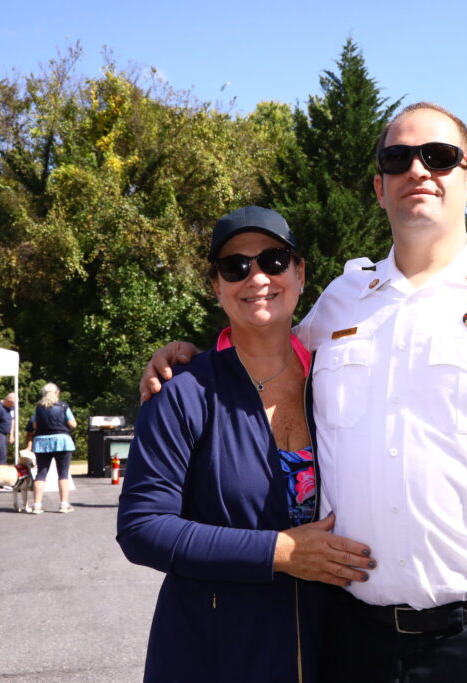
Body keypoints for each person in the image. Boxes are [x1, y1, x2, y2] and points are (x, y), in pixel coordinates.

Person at [142, 103, 467, 682]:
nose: (417, 170)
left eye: (439, 156)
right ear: (380, 187)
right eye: (398, 159)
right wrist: (189, 359)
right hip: (352, 640)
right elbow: (267, 354)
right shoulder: (340, 303)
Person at [117, 206, 376, 683]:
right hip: (214, 654)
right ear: (217, 287)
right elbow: (142, 528)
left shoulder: (338, 381)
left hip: (333, 647)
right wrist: (279, 552)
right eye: (235, 266)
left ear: (299, 274)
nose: (257, 277)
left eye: (274, 260)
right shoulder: (181, 392)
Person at [29, 382, 77, 514]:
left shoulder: (39, 408)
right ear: (57, 393)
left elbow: (34, 426)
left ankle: (37, 505)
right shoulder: (63, 406)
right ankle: (64, 504)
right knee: (63, 473)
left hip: (42, 442)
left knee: (41, 473)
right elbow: (73, 424)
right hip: (62, 441)